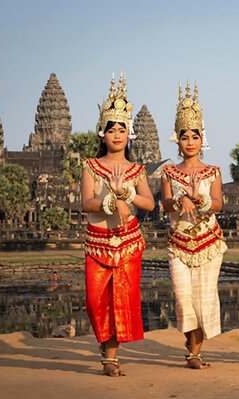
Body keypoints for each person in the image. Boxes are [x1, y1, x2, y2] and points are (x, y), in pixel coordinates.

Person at [81, 73, 155, 376]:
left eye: (121, 129)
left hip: (128, 240)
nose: (116, 135)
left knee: (122, 299)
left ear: (130, 134)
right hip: (98, 239)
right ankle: (104, 345)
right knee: (95, 300)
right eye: (111, 129)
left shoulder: (137, 169)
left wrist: (129, 194)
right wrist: (110, 201)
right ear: (103, 134)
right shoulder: (91, 166)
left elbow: (149, 203)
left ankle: (111, 357)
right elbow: (86, 202)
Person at [162, 82, 227, 369]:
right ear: (177, 140)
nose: (190, 142)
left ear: (203, 140)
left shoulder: (213, 171)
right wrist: (179, 200)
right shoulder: (168, 172)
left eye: (195, 136)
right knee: (182, 298)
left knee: (202, 299)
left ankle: (195, 352)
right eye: (184, 137)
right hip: (179, 242)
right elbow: (164, 203)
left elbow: (218, 204)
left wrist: (198, 200)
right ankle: (192, 348)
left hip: (208, 243)